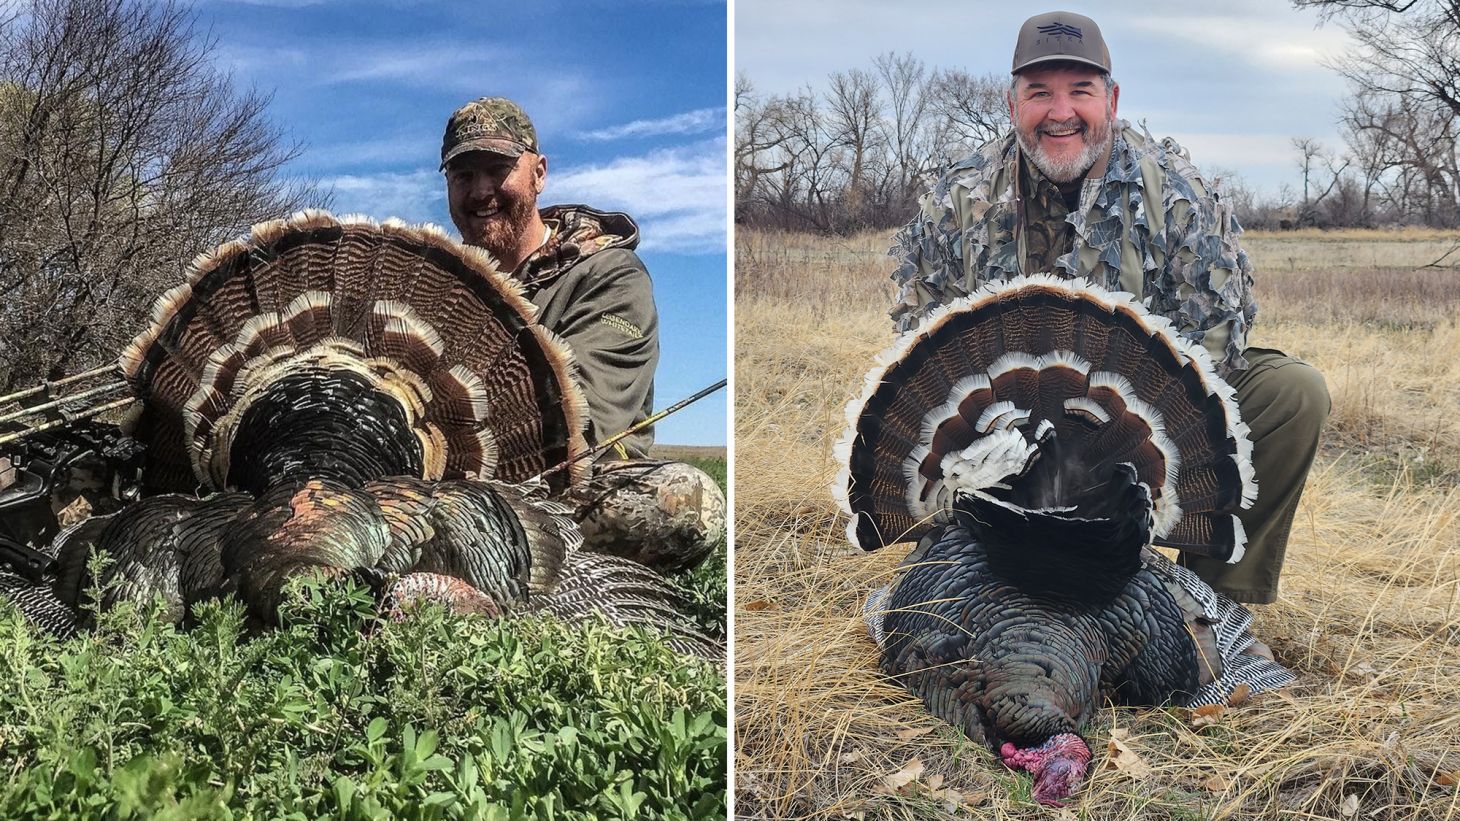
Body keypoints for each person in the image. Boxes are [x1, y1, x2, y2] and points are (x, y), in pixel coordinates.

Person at [888, 12, 1329, 605]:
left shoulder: (1175, 192)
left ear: (1113, 99)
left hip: (1131, 446)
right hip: (1000, 453)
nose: (1060, 111)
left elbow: (1216, 342)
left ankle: (1212, 606)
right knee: (938, 610)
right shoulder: (958, 198)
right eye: (1040, 92)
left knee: (1292, 392)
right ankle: (972, 567)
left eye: (1081, 90)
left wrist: (1133, 474)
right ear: (1012, 101)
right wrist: (999, 450)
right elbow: (920, 345)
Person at [439, 97, 724, 574]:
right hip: (436, 483)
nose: (481, 190)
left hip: (564, 486)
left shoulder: (609, 275)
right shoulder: (438, 284)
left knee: (687, 503)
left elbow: (585, 413)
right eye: (464, 176)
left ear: (539, 172)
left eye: (498, 169)